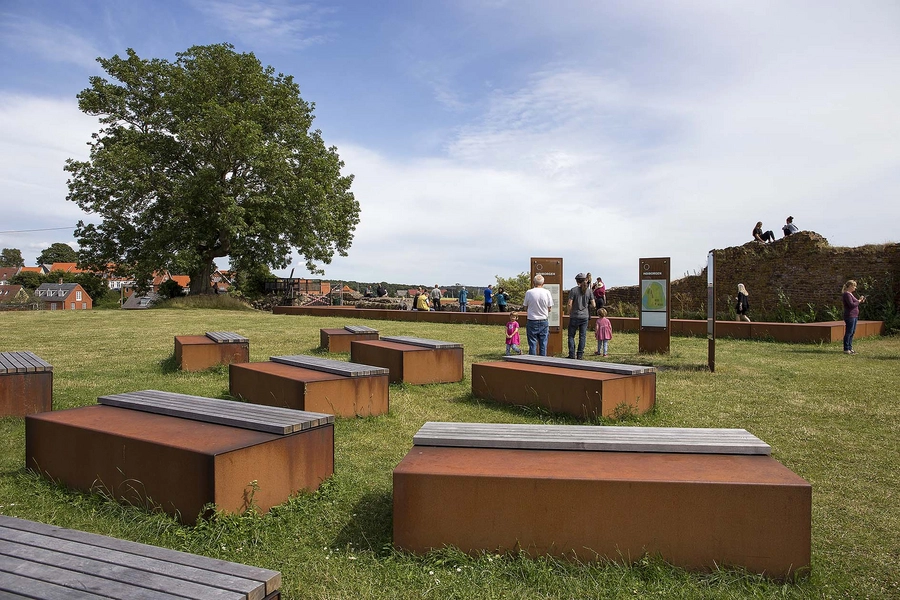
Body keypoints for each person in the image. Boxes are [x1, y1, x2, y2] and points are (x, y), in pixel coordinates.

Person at [566, 272, 595, 360]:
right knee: (582, 336)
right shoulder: (589, 291)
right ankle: (580, 355)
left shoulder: (573, 290)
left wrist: (569, 312)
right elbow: (594, 304)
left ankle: (572, 354)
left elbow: (569, 304)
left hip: (574, 316)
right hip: (584, 316)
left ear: (577, 281)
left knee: (571, 336)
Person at [522, 274, 553, 355]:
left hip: (532, 320)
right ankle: (542, 360)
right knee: (543, 344)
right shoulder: (547, 292)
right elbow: (549, 308)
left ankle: (532, 360)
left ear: (533, 282)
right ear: (543, 283)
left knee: (532, 344)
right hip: (543, 320)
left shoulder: (529, 292)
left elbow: (525, 307)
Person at [842, 280, 866, 354]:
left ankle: (850, 347)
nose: (855, 288)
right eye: (854, 286)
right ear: (850, 286)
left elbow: (855, 303)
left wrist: (860, 301)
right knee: (849, 332)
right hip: (850, 315)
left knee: (852, 332)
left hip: (854, 315)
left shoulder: (851, 294)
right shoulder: (847, 294)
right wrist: (859, 301)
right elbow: (851, 305)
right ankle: (846, 349)